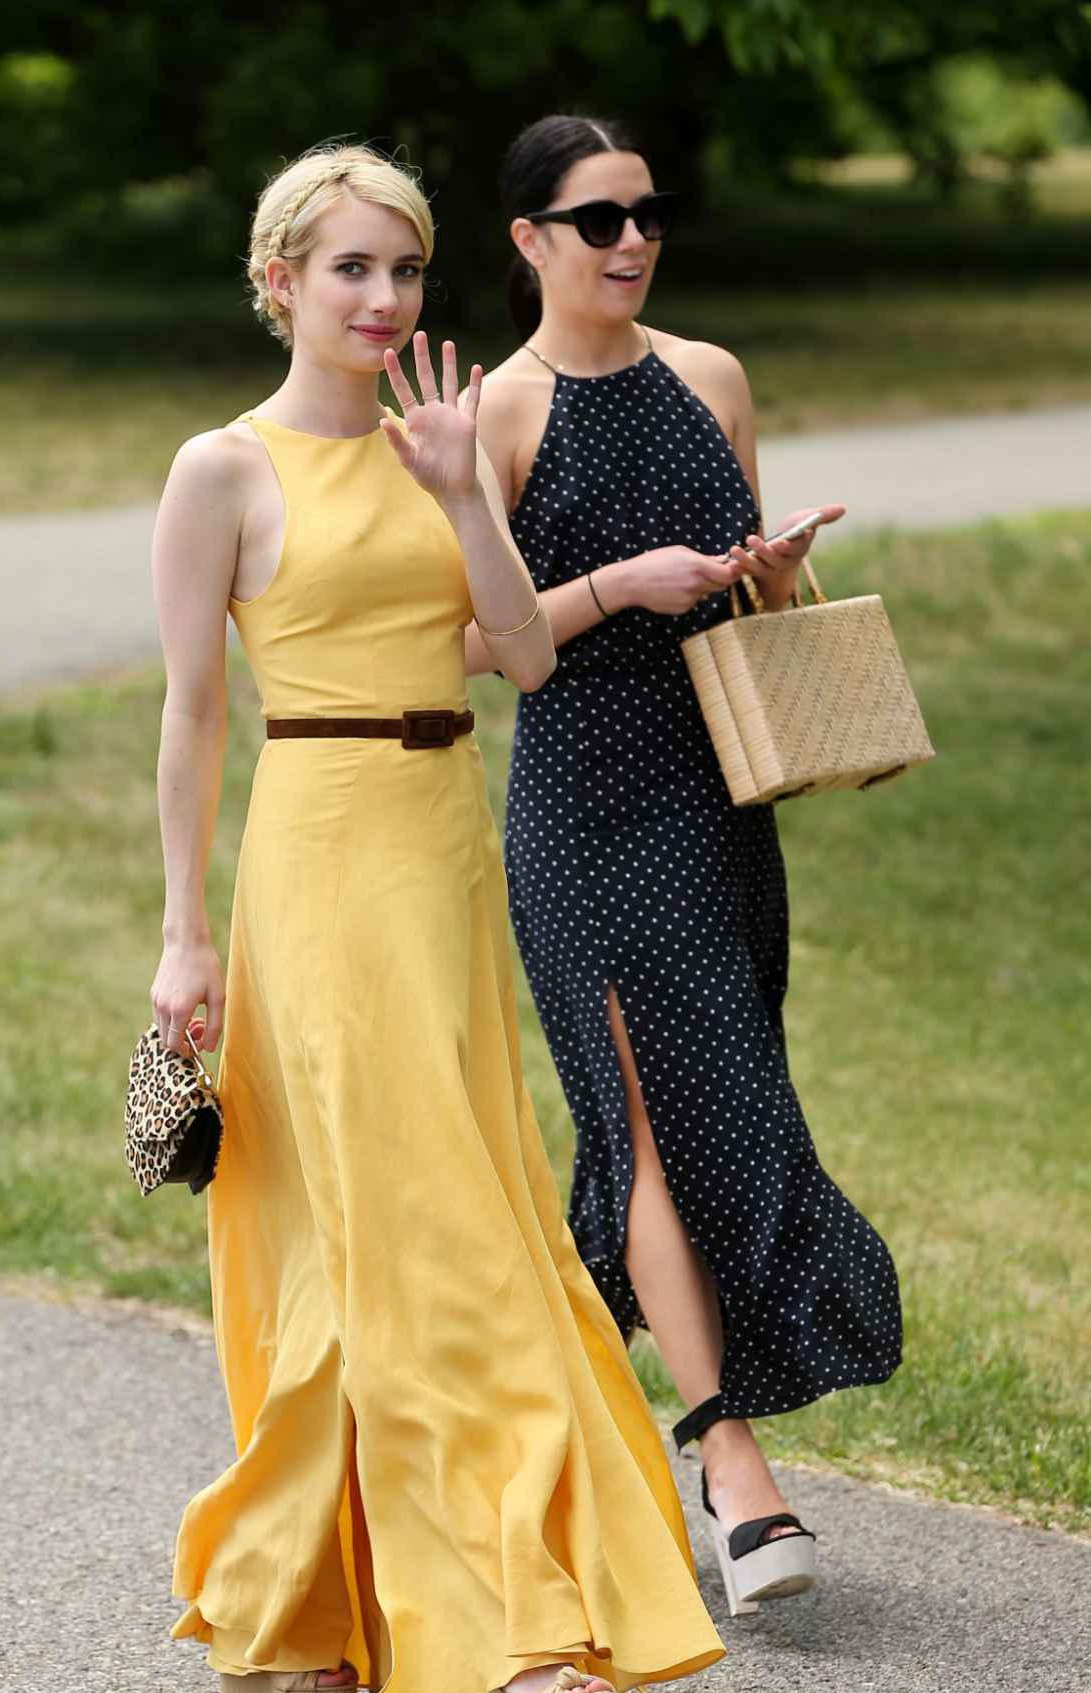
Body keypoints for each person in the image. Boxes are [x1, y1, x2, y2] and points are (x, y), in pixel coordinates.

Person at [149, 141, 722, 1693]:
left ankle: (289, 1616)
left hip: (445, 851)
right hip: (314, 858)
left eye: (402, 272)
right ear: (279, 283)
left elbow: (527, 651)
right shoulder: (223, 470)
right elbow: (192, 710)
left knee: (387, 1231)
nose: (384, 300)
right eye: (349, 269)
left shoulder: (440, 449)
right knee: (424, 1235)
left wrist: (467, 489)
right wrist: (185, 929)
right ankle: (534, 1644)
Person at [470, 115, 902, 1617]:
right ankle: (732, 1470)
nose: (631, 241)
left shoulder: (709, 379)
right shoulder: (495, 420)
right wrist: (614, 586)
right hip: (580, 813)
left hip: (714, 799)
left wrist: (763, 571)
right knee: (642, 1121)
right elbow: (477, 646)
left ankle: (637, 1408)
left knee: (733, 1098)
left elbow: (736, 603)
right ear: (527, 241)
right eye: (596, 221)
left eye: (646, 213)